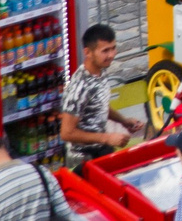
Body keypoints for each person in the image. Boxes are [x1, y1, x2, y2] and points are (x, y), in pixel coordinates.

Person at [56, 21, 136, 164]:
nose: (111, 55)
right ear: (87, 52)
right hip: (82, 159)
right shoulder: (79, 87)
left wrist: (124, 121)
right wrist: (107, 138)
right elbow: (66, 133)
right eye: (105, 51)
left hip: (102, 149)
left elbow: (99, 104)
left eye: (113, 48)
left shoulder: (100, 70)